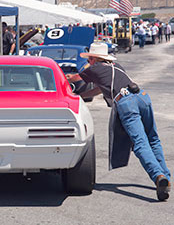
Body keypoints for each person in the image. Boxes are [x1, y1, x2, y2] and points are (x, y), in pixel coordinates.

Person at [66, 42, 171, 202]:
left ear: (93, 59)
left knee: (140, 143)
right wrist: (84, 95)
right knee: (153, 139)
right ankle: (166, 176)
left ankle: (158, 176)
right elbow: (102, 88)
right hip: (142, 96)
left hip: (126, 102)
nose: (89, 62)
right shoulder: (116, 66)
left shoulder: (93, 69)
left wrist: (64, 78)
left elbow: (74, 79)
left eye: (90, 59)